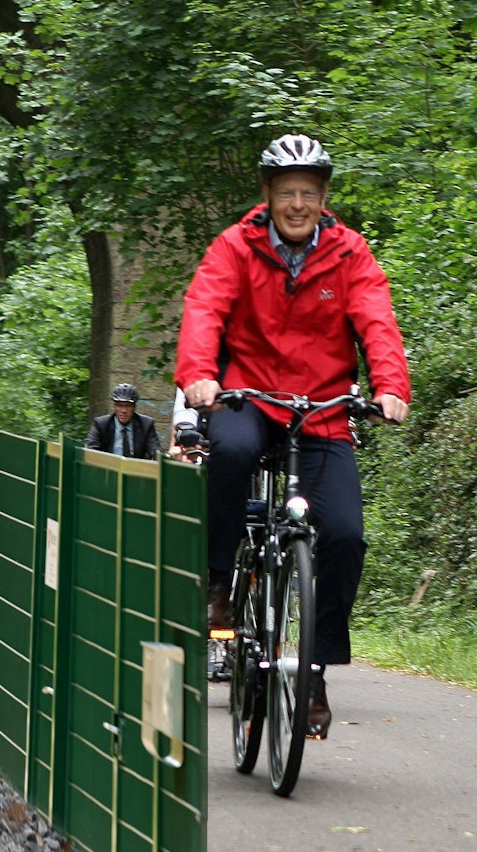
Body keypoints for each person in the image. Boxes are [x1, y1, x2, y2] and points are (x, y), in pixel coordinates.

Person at [179, 134, 410, 739]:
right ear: (268, 195)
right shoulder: (236, 245)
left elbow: (376, 320)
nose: (299, 204)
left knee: (344, 533)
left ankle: (314, 668)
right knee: (227, 449)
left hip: (322, 406)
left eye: (309, 192)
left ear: (324, 196)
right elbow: (205, 307)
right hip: (248, 394)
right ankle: (219, 581)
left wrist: (389, 386)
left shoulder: (349, 252)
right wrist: (201, 375)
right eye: (287, 193)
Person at [85, 382, 160, 460]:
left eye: (128, 406)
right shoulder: (101, 424)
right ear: (114, 406)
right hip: (107, 469)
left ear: (134, 407)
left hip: (136, 469)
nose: (124, 410)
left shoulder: (146, 425)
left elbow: (156, 452)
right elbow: (91, 451)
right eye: (119, 405)